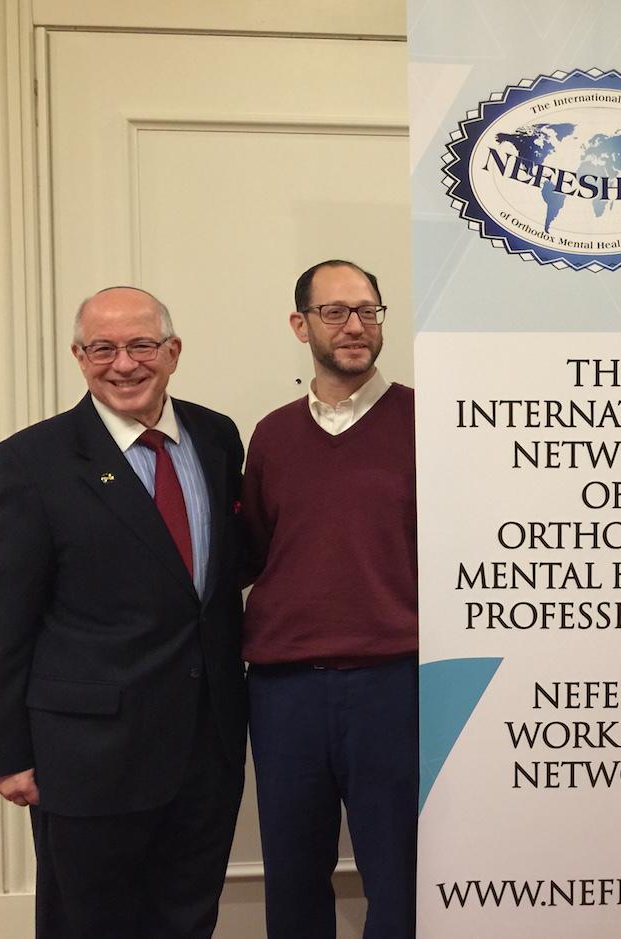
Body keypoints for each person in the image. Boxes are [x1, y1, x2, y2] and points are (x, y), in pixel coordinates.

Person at [0, 287, 247, 938]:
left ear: (172, 352)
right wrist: (4, 750)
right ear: (78, 355)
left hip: (208, 746)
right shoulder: (32, 461)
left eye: (142, 344)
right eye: (102, 348)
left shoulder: (216, 437)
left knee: (187, 917)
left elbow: (219, 577)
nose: (124, 364)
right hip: (87, 756)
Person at [241, 259, 417, 938]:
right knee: (292, 877)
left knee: (398, 873)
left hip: (395, 683)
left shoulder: (427, 422)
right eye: (336, 311)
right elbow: (253, 552)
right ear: (300, 324)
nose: (354, 326)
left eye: (368, 311)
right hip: (286, 691)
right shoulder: (273, 434)